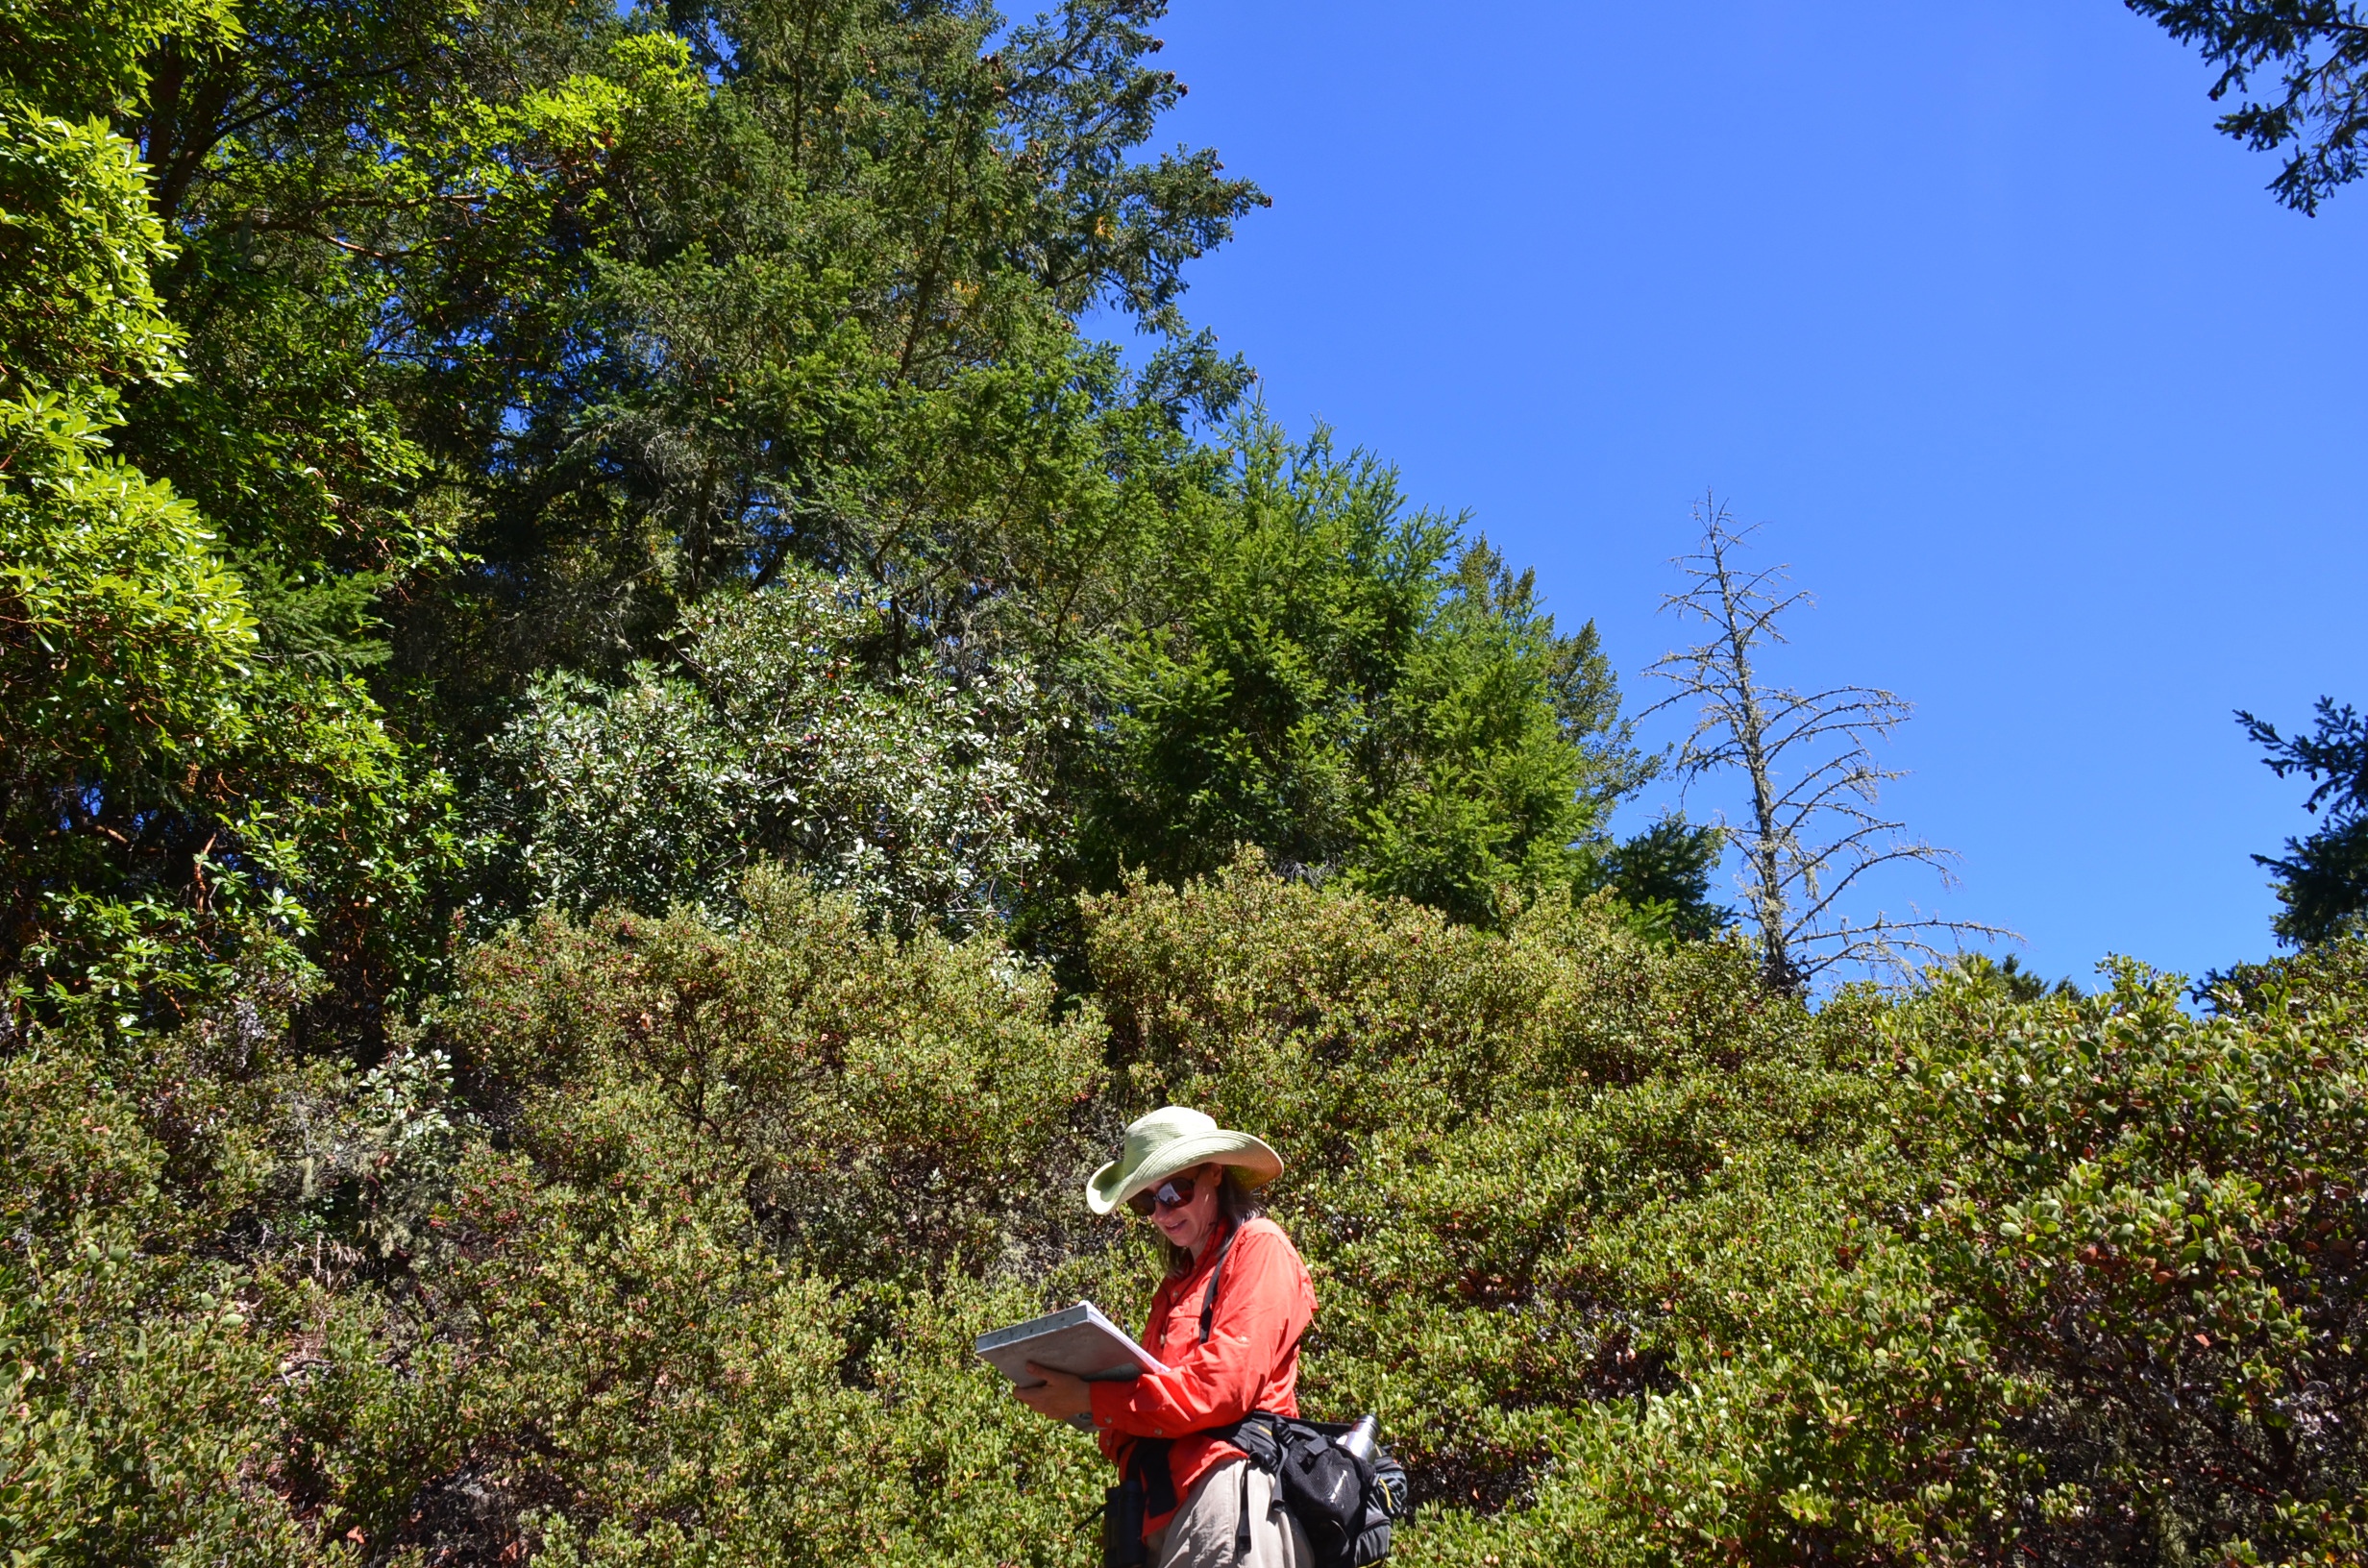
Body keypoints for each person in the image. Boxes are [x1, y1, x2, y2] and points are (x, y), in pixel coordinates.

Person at [1012, 1106, 1318, 1568]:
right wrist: (1087, 1397)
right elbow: (1147, 1412)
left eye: (1175, 1192)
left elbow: (1221, 1389)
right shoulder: (1174, 1287)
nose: (1161, 1212)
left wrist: (1093, 1398)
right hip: (1162, 1511)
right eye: (1146, 1201)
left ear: (1215, 1174)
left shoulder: (1259, 1246)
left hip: (1224, 1492)